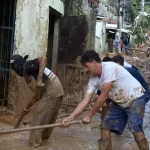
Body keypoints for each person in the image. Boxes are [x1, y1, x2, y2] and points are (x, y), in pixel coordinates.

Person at [62, 50, 149, 150]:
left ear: (93, 62)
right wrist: (70, 118)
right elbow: (85, 101)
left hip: (136, 97)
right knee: (105, 126)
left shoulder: (109, 67)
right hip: (119, 102)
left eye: (86, 66)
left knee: (135, 129)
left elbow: (103, 96)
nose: (85, 70)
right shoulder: (93, 79)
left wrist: (89, 115)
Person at [10, 54, 64, 147]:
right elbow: (38, 94)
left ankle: (35, 145)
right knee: (47, 120)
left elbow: (43, 58)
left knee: (37, 120)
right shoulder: (28, 72)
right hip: (56, 90)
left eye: (14, 67)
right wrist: (28, 107)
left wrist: (39, 80)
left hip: (51, 89)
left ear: (16, 65)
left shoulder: (26, 66)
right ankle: (43, 143)